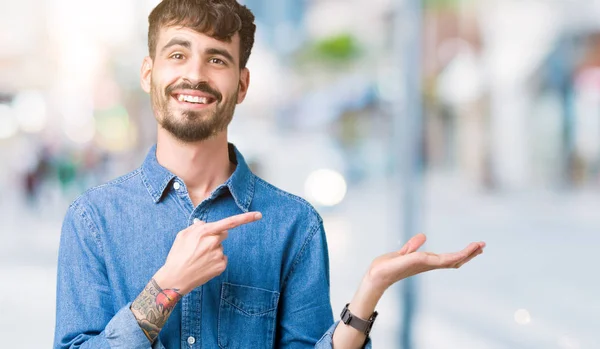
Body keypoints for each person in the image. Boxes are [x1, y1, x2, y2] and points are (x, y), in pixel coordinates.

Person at [53, 0, 486, 348]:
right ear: (150, 73)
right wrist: (167, 286)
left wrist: (369, 292)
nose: (195, 74)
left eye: (216, 59)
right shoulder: (93, 220)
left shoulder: (294, 226)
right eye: (178, 54)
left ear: (241, 85)